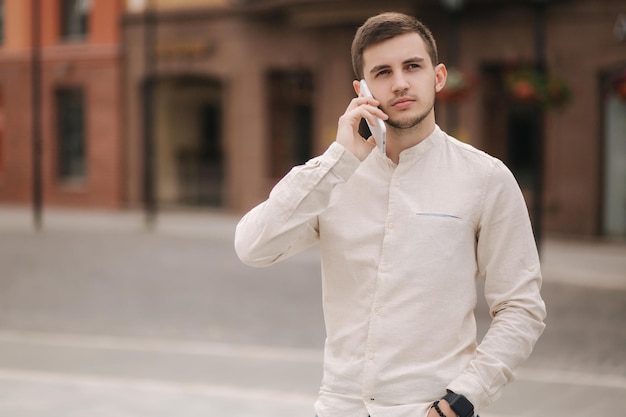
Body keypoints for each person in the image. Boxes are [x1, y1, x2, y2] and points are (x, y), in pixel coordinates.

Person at [234, 11, 546, 417]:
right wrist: (338, 159)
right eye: (382, 72)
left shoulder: (485, 178)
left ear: (437, 77)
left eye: (412, 66)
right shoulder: (336, 176)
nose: (399, 82)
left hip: (430, 409)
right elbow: (252, 247)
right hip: (339, 408)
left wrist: (463, 401)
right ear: (361, 88)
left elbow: (521, 307)